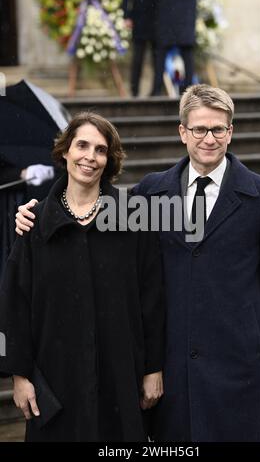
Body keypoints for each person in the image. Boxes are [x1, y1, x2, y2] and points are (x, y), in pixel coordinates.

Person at [15, 85, 260, 442]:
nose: (208, 138)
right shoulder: (152, 192)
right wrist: (38, 212)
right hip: (175, 368)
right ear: (183, 132)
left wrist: (240, 316)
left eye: (218, 129)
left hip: (238, 363)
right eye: (199, 129)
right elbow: (91, 212)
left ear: (231, 131)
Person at [1, 112, 164, 442]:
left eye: (101, 150)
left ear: (109, 159)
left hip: (120, 374)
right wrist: (20, 376)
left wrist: (153, 368)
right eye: (82, 145)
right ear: (65, 151)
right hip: (56, 376)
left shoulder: (133, 216)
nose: (90, 157)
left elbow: (153, 296)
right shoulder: (34, 223)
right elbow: (15, 302)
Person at [152, 0, 207, 96]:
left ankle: (157, 89)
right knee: (187, 57)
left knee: (160, 57)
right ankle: (189, 91)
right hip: (185, 19)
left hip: (166, 18)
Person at [122, 0, 160, 97]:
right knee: (137, 59)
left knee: (158, 60)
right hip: (139, 19)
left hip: (157, 19)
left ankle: (156, 91)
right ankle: (134, 91)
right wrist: (126, 16)